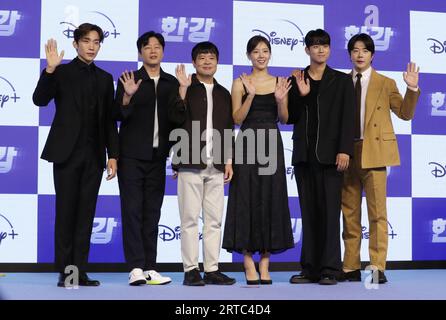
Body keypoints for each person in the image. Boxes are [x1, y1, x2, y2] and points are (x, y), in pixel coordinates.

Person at [32, 23, 119, 287]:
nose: (92, 46)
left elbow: (108, 122)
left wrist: (112, 155)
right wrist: (49, 70)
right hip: (66, 154)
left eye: (96, 42)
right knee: (67, 212)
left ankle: (80, 271)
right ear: (75, 44)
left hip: (94, 155)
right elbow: (39, 99)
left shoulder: (105, 78)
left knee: (86, 215)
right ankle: (67, 273)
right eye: (86, 41)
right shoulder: (60, 72)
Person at [340, 33, 420, 284]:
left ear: (372, 55)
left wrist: (412, 88)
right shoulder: (341, 83)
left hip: (374, 152)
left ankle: (376, 266)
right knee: (349, 213)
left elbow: (405, 114)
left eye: (364, 50)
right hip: (347, 153)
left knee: (377, 214)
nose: (360, 54)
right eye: (355, 50)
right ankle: (350, 266)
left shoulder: (385, 83)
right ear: (350, 54)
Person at [222, 35, 294, 285]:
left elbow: (284, 119)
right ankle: (247, 259)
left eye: (265, 51)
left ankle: (265, 260)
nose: (261, 55)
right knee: (246, 197)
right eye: (256, 51)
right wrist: (250, 95)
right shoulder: (239, 83)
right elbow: (237, 118)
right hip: (247, 142)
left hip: (272, 142)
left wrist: (280, 100)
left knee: (270, 197)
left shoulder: (280, 82)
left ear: (270, 54)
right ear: (248, 55)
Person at [287, 29, 355, 285]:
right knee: (309, 213)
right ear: (307, 50)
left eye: (324, 45)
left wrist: (344, 149)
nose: (320, 49)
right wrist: (301, 96)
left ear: (329, 49)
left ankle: (329, 268)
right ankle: (309, 269)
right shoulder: (297, 78)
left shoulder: (340, 80)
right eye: (315, 45)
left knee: (329, 213)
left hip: (331, 156)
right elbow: (290, 117)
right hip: (304, 156)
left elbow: (348, 118)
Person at [168, 41, 236, 286]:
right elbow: (174, 121)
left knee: (214, 220)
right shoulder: (184, 87)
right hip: (190, 162)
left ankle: (212, 268)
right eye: (202, 58)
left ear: (217, 62)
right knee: (188, 219)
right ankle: (190, 270)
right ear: (194, 62)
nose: (207, 62)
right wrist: (183, 91)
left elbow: (228, 128)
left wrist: (229, 160)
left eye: (211, 58)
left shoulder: (223, 93)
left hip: (216, 164)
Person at [114, 31, 178, 286]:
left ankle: (151, 267)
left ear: (163, 51)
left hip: (158, 156)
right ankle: (135, 268)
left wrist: (177, 155)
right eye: (147, 47)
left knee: (152, 212)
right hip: (131, 156)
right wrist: (127, 96)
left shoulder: (172, 83)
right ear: (140, 51)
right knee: (132, 211)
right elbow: (116, 115)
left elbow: (177, 122)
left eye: (157, 47)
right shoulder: (129, 79)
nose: (153, 51)